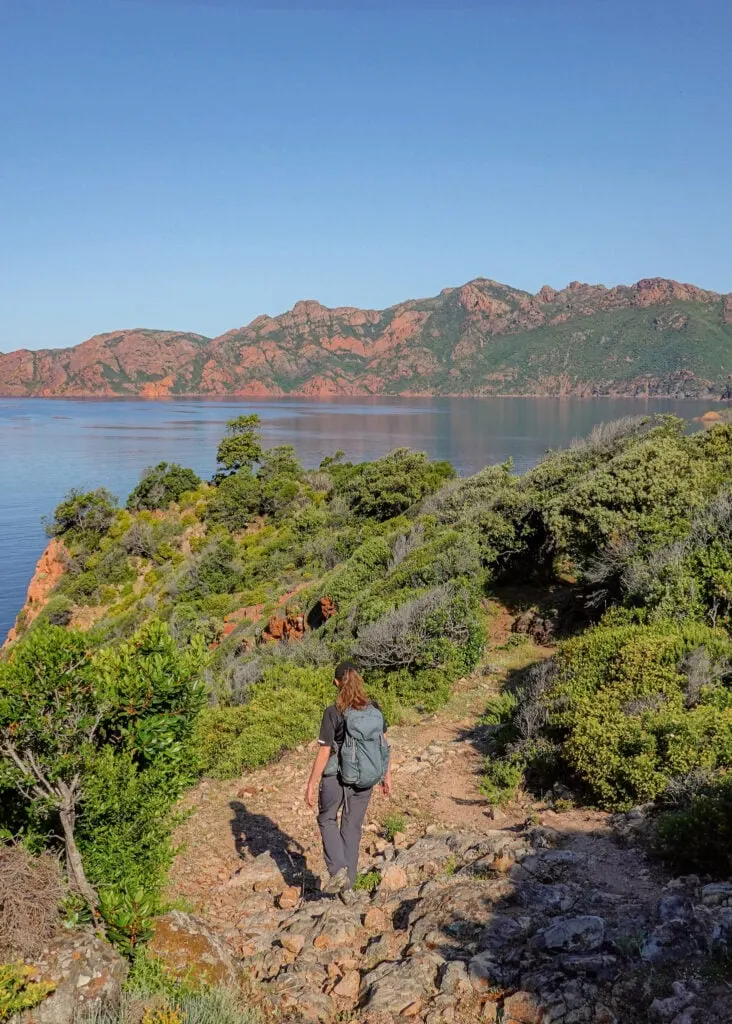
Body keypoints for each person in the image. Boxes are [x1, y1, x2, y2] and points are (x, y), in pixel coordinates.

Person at [305, 661, 392, 900]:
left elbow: (324, 753)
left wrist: (311, 784)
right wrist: (386, 775)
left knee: (326, 818)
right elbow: (383, 745)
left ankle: (338, 870)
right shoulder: (373, 709)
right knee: (352, 829)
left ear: (336, 682)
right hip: (365, 776)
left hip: (335, 775)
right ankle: (349, 890)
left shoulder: (333, 712)